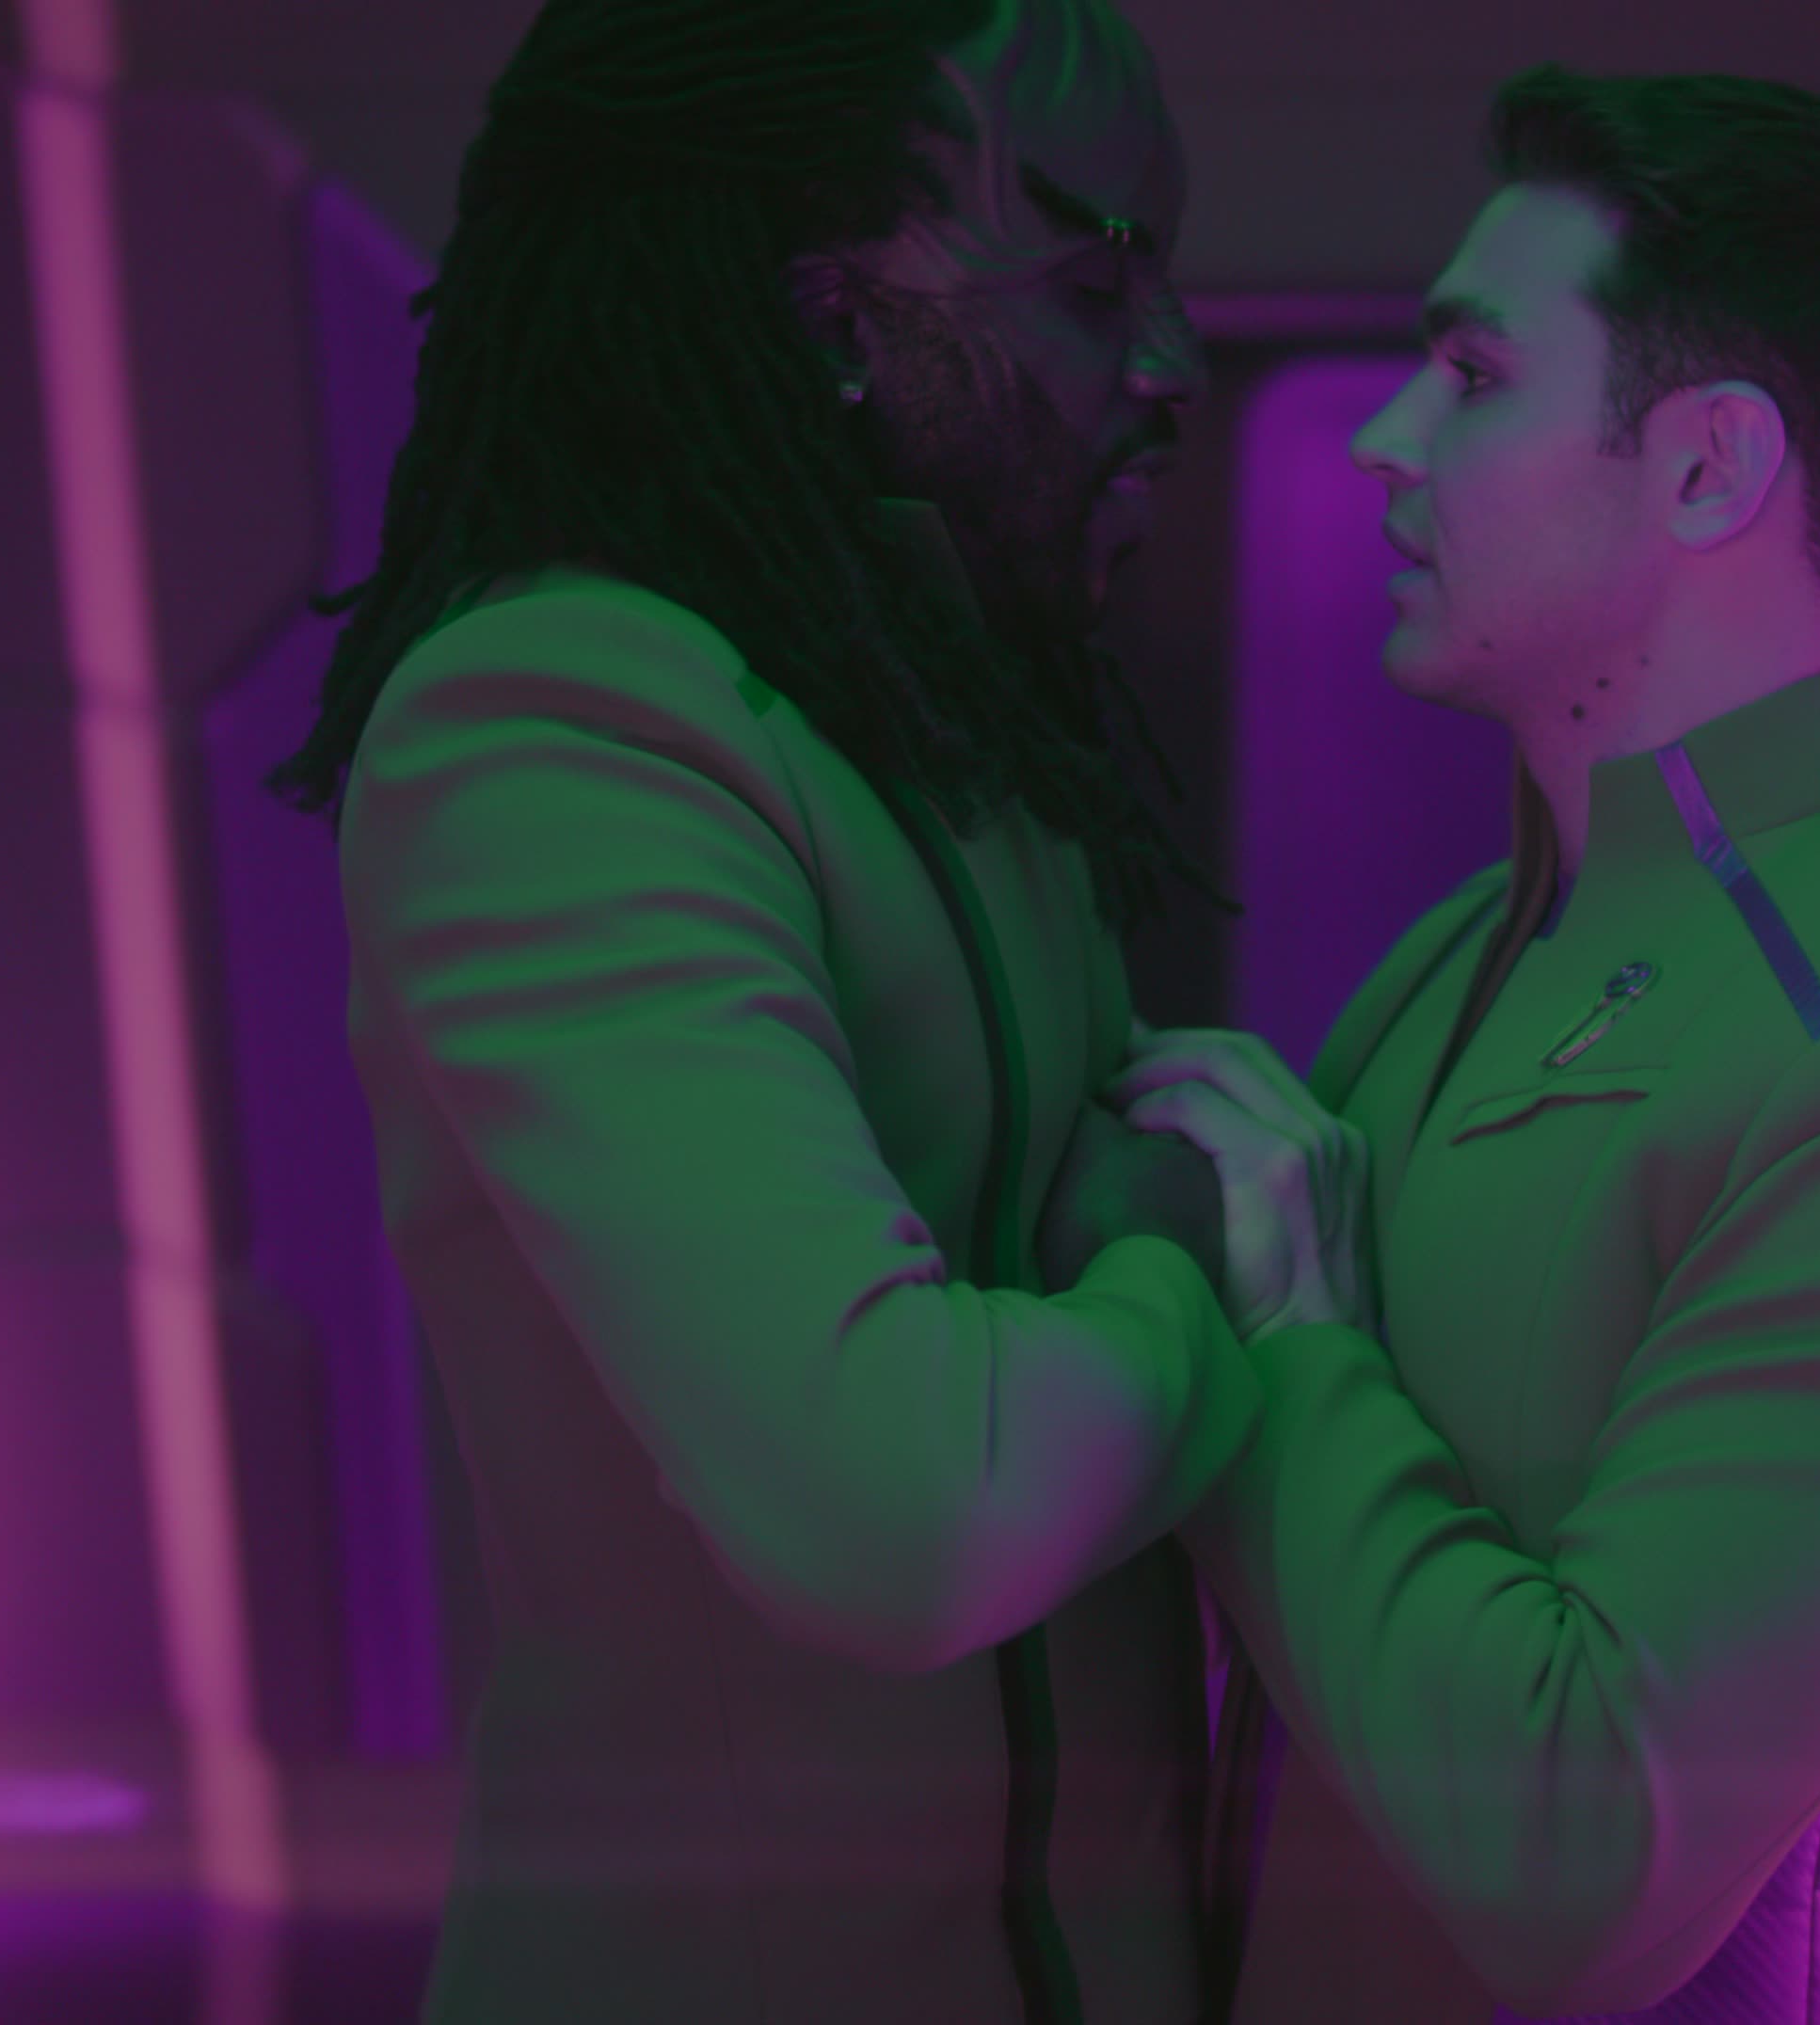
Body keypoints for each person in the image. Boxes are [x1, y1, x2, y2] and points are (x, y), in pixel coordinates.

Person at [1111, 69, 1820, 2022]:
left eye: (1471, 374)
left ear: (1709, 468)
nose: (1384, 438)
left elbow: (1579, 1853)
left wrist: (1290, 1335)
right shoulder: (1465, 949)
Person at [266, 1, 1263, 2018]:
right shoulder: (562, 725)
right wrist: (1191, 1270)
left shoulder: (964, 732)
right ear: (831, 312)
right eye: (1092, 285)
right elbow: (895, 1512)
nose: (1170, 361)